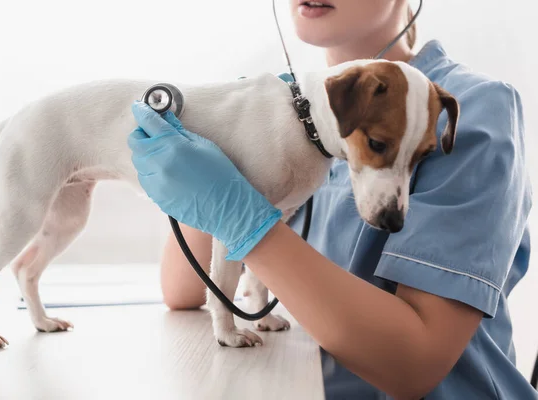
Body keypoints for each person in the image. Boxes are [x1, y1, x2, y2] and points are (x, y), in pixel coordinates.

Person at [127, 1, 535, 398]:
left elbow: (414, 363)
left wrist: (242, 221)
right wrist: (226, 145)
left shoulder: (475, 108)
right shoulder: (291, 111)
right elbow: (182, 291)